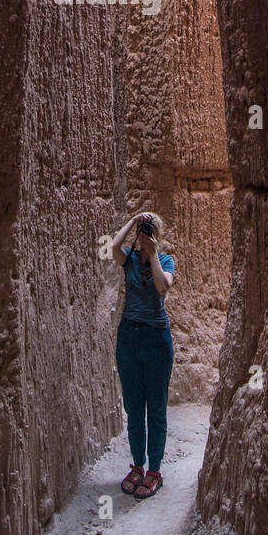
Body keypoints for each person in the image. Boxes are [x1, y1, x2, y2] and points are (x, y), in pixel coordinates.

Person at [110, 211, 176, 499]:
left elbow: (163, 286)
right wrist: (134, 220)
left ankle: (154, 471)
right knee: (134, 408)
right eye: (143, 231)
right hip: (129, 337)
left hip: (156, 339)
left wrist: (152, 254)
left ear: (158, 237)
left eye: (150, 230)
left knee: (157, 408)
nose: (146, 235)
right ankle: (137, 466)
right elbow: (113, 248)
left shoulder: (165, 261)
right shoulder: (129, 259)